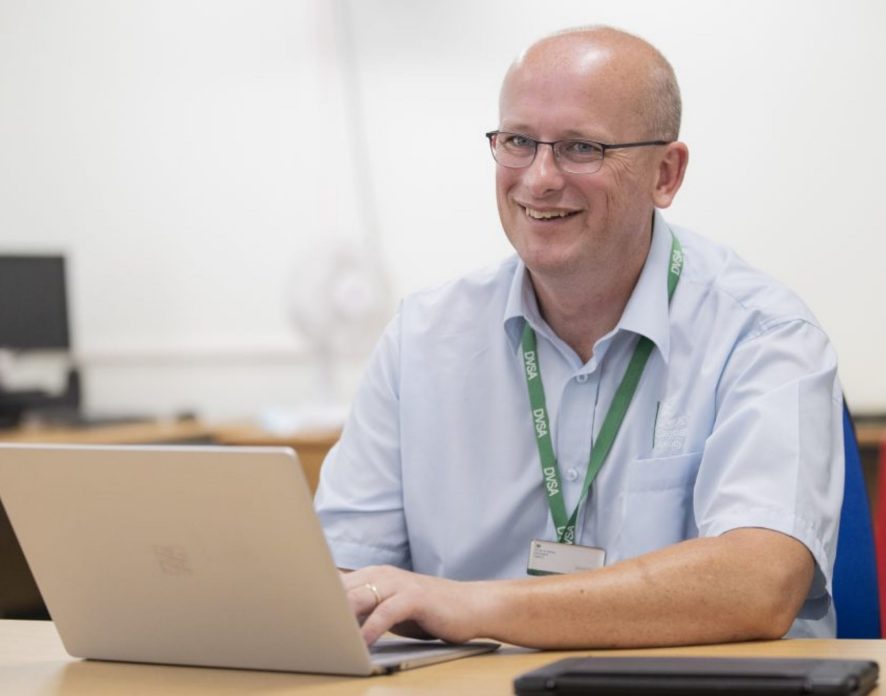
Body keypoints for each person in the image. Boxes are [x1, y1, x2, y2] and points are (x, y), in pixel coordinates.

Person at [315, 25, 843, 649]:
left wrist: (472, 605)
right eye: (518, 142)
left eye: (580, 148)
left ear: (665, 174)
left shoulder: (762, 335)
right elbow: (341, 574)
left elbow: (758, 585)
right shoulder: (422, 339)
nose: (538, 178)